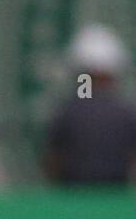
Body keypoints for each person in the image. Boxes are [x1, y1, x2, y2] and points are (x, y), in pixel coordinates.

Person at [43, 24, 136, 186]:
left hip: (75, 200)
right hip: (112, 202)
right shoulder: (126, 112)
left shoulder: (67, 111)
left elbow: (53, 161)